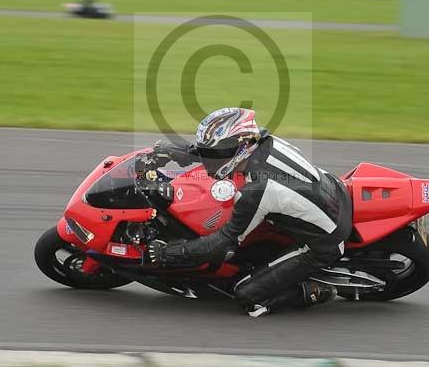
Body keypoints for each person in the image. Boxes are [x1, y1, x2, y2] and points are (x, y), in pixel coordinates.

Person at [146, 107, 353, 317]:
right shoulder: (263, 141)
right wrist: (181, 151)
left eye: (215, 153)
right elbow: (221, 153)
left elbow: (223, 242)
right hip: (332, 189)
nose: (209, 160)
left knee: (247, 295)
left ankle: (313, 291)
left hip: (325, 241)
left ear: (240, 147)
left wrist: (171, 252)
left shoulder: (256, 191)